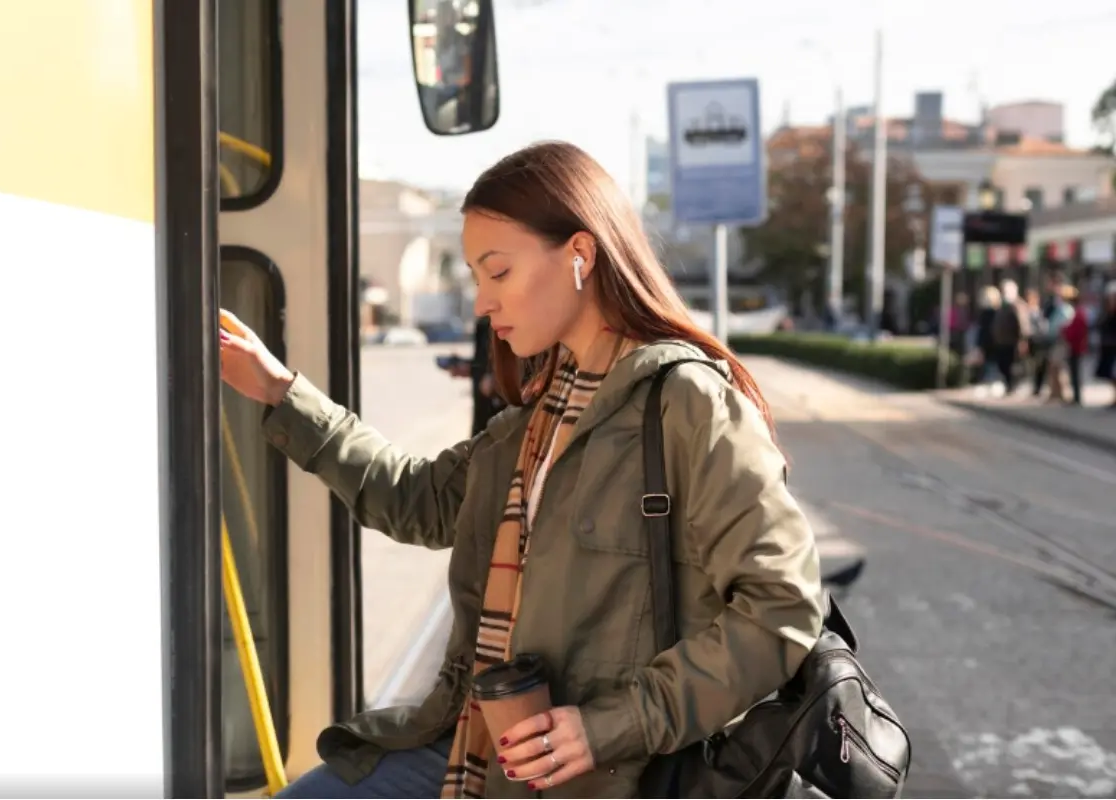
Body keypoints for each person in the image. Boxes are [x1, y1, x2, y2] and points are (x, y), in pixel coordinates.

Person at [219, 141, 823, 799]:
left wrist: (609, 726)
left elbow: (781, 606)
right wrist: (282, 392)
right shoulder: (532, 422)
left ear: (580, 256)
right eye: (477, 277)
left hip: (617, 776)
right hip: (480, 750)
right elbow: (414, 498)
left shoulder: (688, 405)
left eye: (497, 272)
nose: (482, 302)